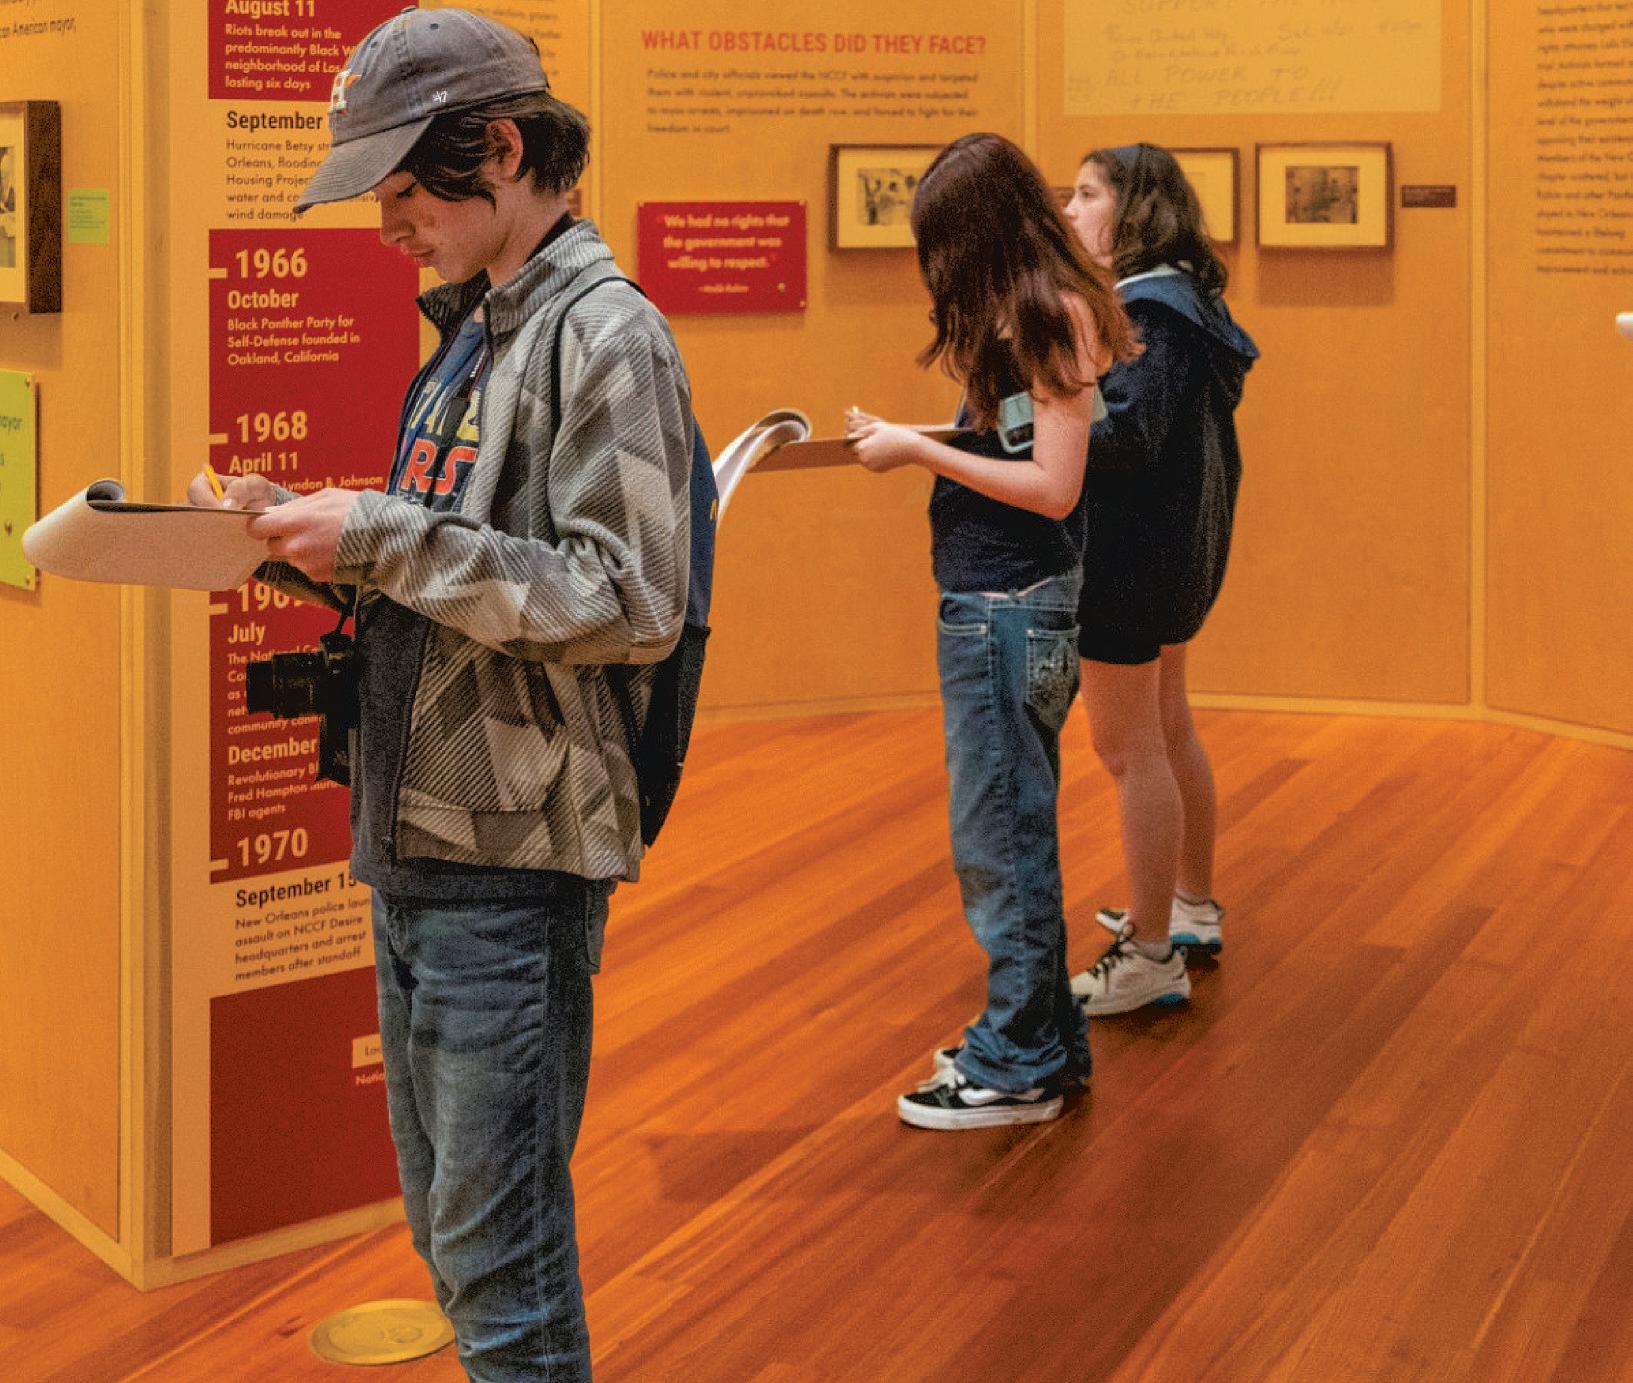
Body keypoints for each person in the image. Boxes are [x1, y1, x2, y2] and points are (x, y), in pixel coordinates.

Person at [189, 10, 694, 1379]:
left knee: (499, 1261)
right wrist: (307, 538)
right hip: (422, 837)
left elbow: (631, 601)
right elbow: (460, 566)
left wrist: (378, 535)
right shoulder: (477, 328)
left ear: (506, 150)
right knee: (454, 1234)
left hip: (511, 860)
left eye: (405, 189)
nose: (386, 226)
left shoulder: (607, 336)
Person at [846, 132, 1138, 1129]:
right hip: (1005, 604)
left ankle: (1015, 1062)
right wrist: (917, 437)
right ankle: (1045, 1037)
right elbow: (1018, 442)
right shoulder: (1034, 312)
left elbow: (1052, 487)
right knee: (1009, 828)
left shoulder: (1052, 313)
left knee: (1000, 841)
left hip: (1007, 608)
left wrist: (919, 452)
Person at [1059, 142, 1259, 1017]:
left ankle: (1147, 954)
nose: (1069, 210)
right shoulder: (1185, 299)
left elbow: (1127, 437)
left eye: (1086, 193)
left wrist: (1023, 418)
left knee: (1126, 748)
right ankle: (1189, 909)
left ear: (1133, 208)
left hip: (1132, 559)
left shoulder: (1153, 308)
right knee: (1168, 729)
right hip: (1174, 552)